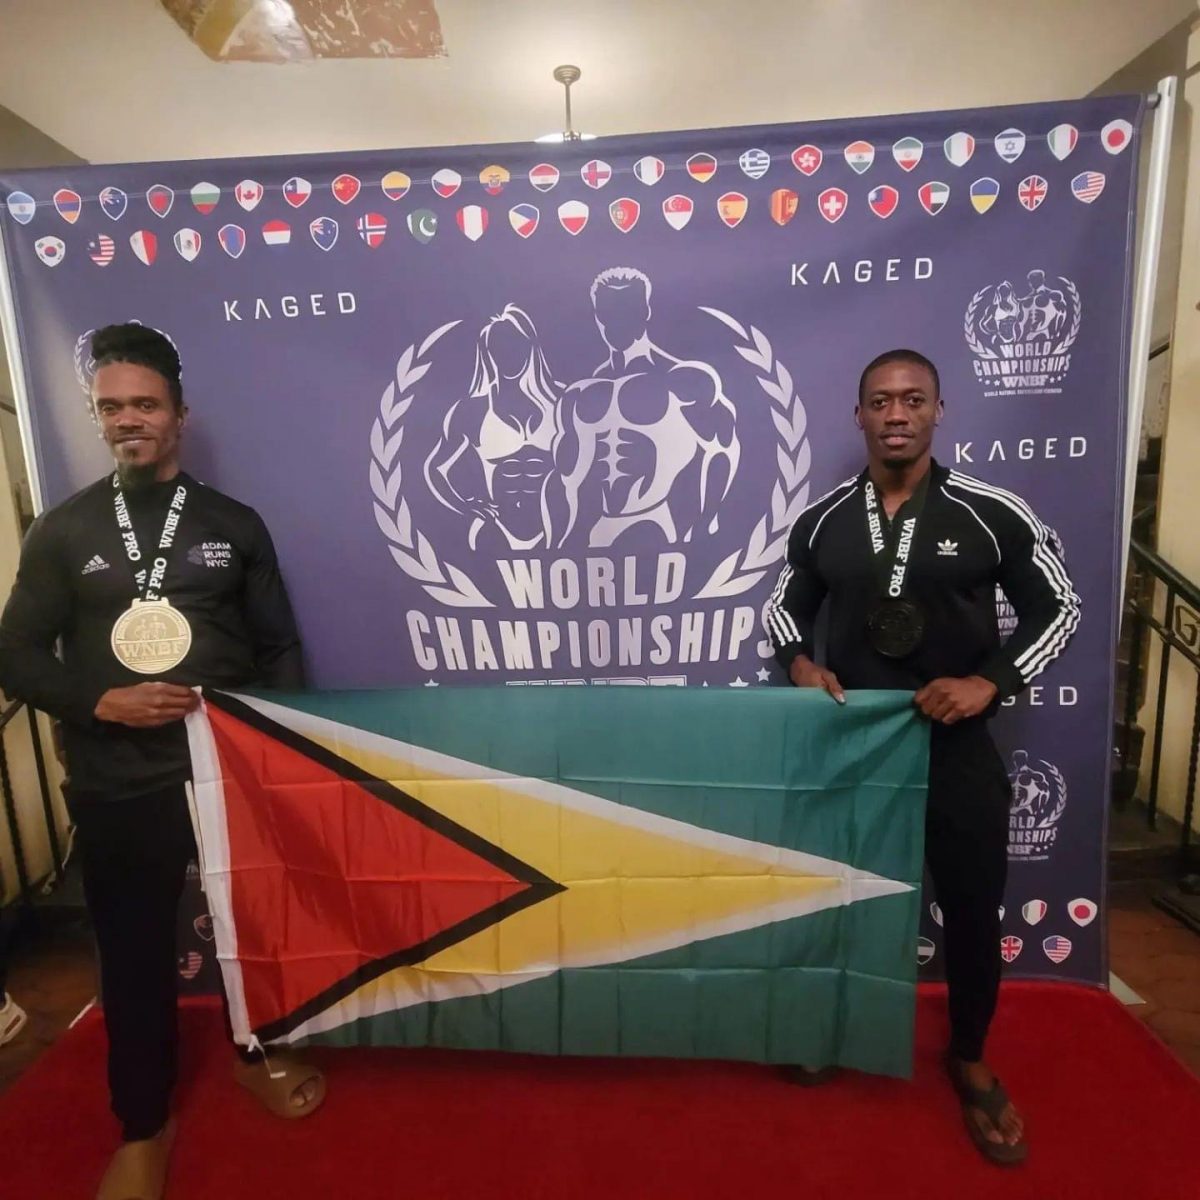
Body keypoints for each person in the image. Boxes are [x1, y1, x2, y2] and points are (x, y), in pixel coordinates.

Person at [0, 323, 325, 1200]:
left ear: (180, 413)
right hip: (116, 774)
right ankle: (142, 1120)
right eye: (111, 408)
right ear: (97, 419)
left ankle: (258, 1052)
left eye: (145, 404)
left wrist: (279, 757)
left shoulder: (233, 524)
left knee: (253, 933)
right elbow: (17, 654)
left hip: (230, 773)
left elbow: (281, 646)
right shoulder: (64, 533)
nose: (127, 421)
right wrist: (98, 699)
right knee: (134, 952)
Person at [764, 348, 1079, 1167]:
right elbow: (781, 611)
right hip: (858, 746)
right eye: (880, 401)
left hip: (957, 747)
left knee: (973, 908)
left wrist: (993, 682)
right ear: (859, 416)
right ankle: (832, 1027)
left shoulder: (988, 511)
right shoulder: (827, 519)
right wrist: (800, 663)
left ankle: (970, 1058)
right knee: (846, 897)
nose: (896, 413)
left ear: (940, 410)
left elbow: (1062, 609)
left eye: (913, 400)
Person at [544, 267, 739, 548]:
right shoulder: (580, 393)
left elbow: (723, 451)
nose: (616, 322)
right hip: (595, 534)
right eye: (607, 313)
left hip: (656, 523)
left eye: (627, 310)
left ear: (645, 310)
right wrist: (558, 540)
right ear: (597, 316)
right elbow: (564, 478)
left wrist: (705, 522)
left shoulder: (684, 380)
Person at [424, 304, 561, 550]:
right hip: (497, 531)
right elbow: (435, 468)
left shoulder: (563, 401)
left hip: (560, 530)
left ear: (530, 346)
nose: (507, 356)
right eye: (498, 348)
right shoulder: (471, 411)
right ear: (488, 353)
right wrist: (465, 506)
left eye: (515, 345)